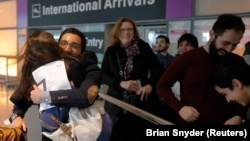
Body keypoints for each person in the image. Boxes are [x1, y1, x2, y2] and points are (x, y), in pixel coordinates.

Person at [8, 29, 108, 141]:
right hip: (50, 135)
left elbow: (86, 96)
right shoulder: (44, 68)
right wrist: (16, 117)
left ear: (82, 51)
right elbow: (20, 102)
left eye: (74, 46)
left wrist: (44, 96)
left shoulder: (89, 69)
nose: (67, 49)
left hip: (79, 133)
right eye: (63, 43)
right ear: (56, 45)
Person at [157, 13, 247, 125]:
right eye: (225, 43)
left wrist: (239, 115)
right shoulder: (186, 58)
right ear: (212, 34)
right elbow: (162, 85)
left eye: (235, 45)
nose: (229, 49)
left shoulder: (237, 61)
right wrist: (180, 108)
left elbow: (247, 90)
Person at [101, 16, 164, 140]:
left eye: (129, 29)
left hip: (140, 101)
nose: (126, 32)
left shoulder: (143, 47)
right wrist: (120, 83)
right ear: (117, 32)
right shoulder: (111, 51)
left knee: (138, 134)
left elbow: (158, 69)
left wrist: (150, 85)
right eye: (122, 29)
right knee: (116, 135)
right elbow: (103, 74)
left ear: (134, 31)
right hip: (116, 102)